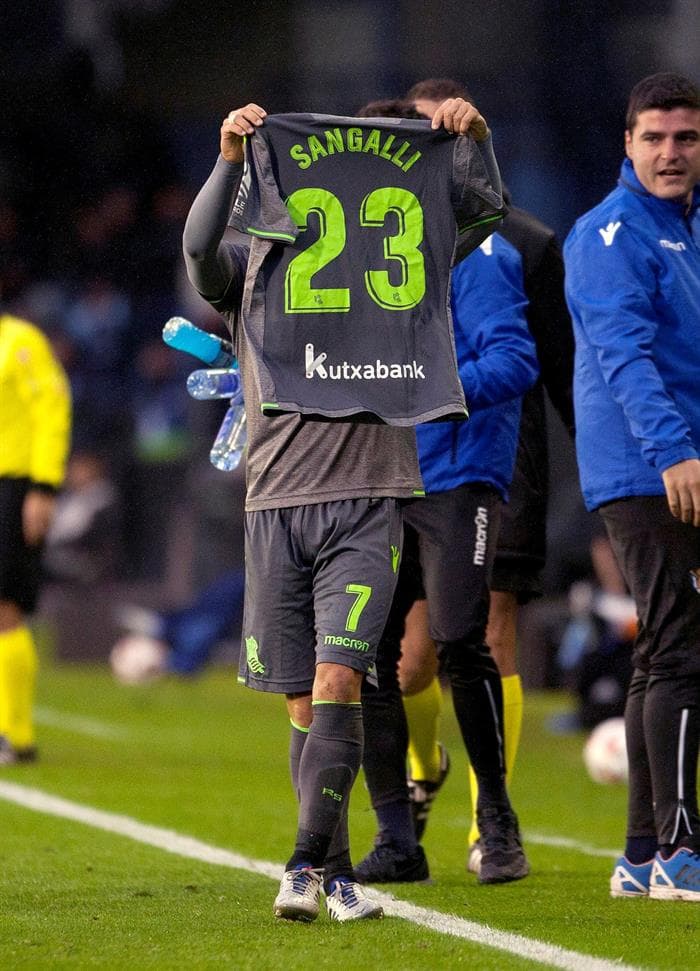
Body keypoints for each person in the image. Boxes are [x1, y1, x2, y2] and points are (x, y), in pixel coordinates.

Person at [182, 98, 506, 920]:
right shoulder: (246, 269)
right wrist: (226, 159)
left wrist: (475, 143)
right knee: (304, 699)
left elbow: (483, 213)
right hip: (276, 501)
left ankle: (298, 865)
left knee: (340, 678)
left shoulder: (402, 265)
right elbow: (195, 246)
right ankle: (331, 874)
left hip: (368, 497)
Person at [354, 98, 539, 885]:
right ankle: (398, 837)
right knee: (363, 654)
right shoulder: (350, 258)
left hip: (456, 474)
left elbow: (516, 360)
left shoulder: (478, 250)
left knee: (462, 637)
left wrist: (423, 388)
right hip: (372, 474)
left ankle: (495, 819)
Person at [398, 78, 576, 875]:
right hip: (410, 459)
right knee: (409, 660)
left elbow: (557, 365)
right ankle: (423, 765)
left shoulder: (527, 243)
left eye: (451, 133)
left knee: (488, 631)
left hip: (504, 454)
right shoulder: (387, 247)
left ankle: (485, 823)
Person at [564, 71, 700, 903]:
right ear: (627, 144)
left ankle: (644, 854)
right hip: (652, 468)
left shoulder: (686, 228)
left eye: (685, 138)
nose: (670, 153)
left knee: (664, 651)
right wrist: (674, 452)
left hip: (678, 462)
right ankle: (682, 852)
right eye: (653, 138)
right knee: (682, 649)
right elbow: (626, 358)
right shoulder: (608, 234)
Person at [0, 313, 71, 764]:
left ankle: (17, 735)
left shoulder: (19, 340)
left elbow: (52, 408)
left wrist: (43, 488)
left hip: (12, 486)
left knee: (5, 608)